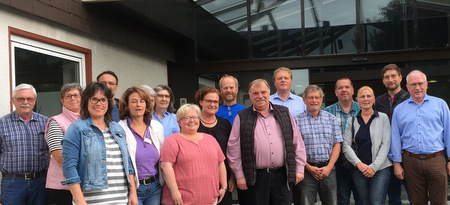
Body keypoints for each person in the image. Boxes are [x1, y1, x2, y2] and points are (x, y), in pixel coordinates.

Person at [227, 79, 306, 205]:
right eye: (255, 93)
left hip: (282, 176)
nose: (260, 96)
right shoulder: (241, 117)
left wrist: (299, 168)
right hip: (255, 178)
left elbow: (297, 141)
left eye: (263, 92)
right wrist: (239, 174)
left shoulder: (284, 113)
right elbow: (233, 149)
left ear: (269, 93)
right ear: (251, 95)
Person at [61, 82, 138, 205]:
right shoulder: (76, 129)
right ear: (86, 101)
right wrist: (80, 201)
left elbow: (128, 164)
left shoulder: (117, 128)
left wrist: (133, 193)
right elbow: (69, 167)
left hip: (120, 199)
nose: (99, 104)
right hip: (91, 201)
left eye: (103, 100)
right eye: (94, 99)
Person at [389, 70, 450, 205]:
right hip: (411, 162)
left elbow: (448, 133)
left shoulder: (440, 105)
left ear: (426, 84)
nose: (417, 88)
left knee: (440, 201)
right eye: (413, 84)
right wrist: (397, 164)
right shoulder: (399, 109)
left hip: (436, 160)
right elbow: (395, 138)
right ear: (407, 87)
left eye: (420, 84)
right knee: (417, 201)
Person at [160, 103, 227, 204]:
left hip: (210, 200)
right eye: (187, 118)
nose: (192, 121)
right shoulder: (173, 140)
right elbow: (166, 166)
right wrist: (174, 191)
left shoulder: (210, 139)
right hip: (182, 201)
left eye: (195, 117)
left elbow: (220, 163)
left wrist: (224, 186)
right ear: (179, 122)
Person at [0, 83, 49, 205]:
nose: (25, 102)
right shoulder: (2, 124)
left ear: (34, 101)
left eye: (29, 99)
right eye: (20, 99)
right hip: (12, 183)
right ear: (13, 100)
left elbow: (53, 151)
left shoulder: (46, 122)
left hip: (40, 182)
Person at [342, 86, 392, 205]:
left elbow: (386, 144)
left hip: (380, 168)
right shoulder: (351, 120)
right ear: (357, 100)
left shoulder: (383, 118)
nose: (366, 99)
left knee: (376, 202)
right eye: (362, 96)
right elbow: (346, 146)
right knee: (364, 202)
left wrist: (373, 167)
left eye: (368, 96)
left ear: (373, 99)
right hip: (359, 169)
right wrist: (359, 164)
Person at [294, 85, 342, 205]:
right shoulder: (296, 121)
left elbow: (337, 144)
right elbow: (293, 147)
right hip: (306, 172)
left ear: (321, 99)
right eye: (310, 97)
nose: (314, 100)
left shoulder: (331, 119)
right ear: (304, 100)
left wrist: (329, 167)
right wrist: (308, 167)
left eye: (317, 97)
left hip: (328, 171)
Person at [118, 87, 165, 205]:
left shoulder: (156, 126)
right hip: (132, 189)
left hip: (154, 187)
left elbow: (163, 156)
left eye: (142, 101)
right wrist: (132, 191)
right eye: (134, 101)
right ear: (127, 105)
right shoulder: (119, 128)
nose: (138, 105)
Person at [374, 64, 410, 205]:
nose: (390, 79)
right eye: (387, 77)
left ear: (400, 78)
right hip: (386, 156)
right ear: (383, 81)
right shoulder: (378, 101)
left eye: (393, 76)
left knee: (414, 195)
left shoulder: (410, 98)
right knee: (393, 197)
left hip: (407, 154)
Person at [324, 77, 361, 205]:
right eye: (340, 88)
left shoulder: (363, 109)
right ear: (336, 92)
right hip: (338, 161)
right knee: (342, 199)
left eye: (347, 87)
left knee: (361, 198)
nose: (344, 90)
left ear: (352, 90)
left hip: (360, 161)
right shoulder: (327, 112)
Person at [45, 83, 82, 205]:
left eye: (76, 95)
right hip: (62, 186)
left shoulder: (89, 120)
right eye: (68, 96)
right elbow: (59, 156)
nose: (73, 99)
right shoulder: (56, 122)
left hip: (84, 184)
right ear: (62, 100)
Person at [195, 87, 233, 205]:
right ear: (201, 102)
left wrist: (232, 177)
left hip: (223, 179)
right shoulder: (193, 124)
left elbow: (231, 151)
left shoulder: (225, 124)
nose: (213, 104)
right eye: (209, 101)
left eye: (216, 102)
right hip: (199, 178)